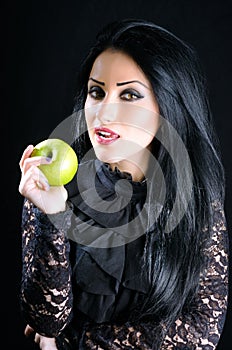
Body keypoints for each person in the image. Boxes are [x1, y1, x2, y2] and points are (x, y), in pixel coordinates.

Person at [18, 18, 229, 349]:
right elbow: (44, 319)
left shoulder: (197, 199)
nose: (104, 112)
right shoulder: (54, 183)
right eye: (97, 92)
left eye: (129, 94)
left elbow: (201, 336)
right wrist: (52, 216)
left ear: (167, 104)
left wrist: (72, 341)